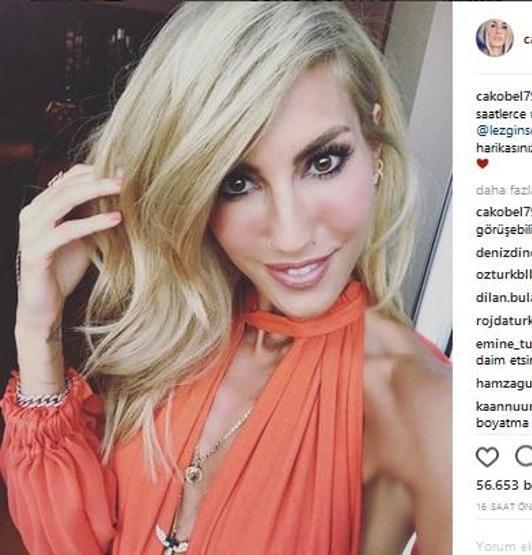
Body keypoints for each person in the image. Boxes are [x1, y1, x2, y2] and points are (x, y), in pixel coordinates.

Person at [0, 3, 451, 554]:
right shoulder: (177, 334)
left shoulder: (429, 407)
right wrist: (38, 329)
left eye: (324, 161)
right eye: (237, 181)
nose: (290, 236)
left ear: (374, 149)